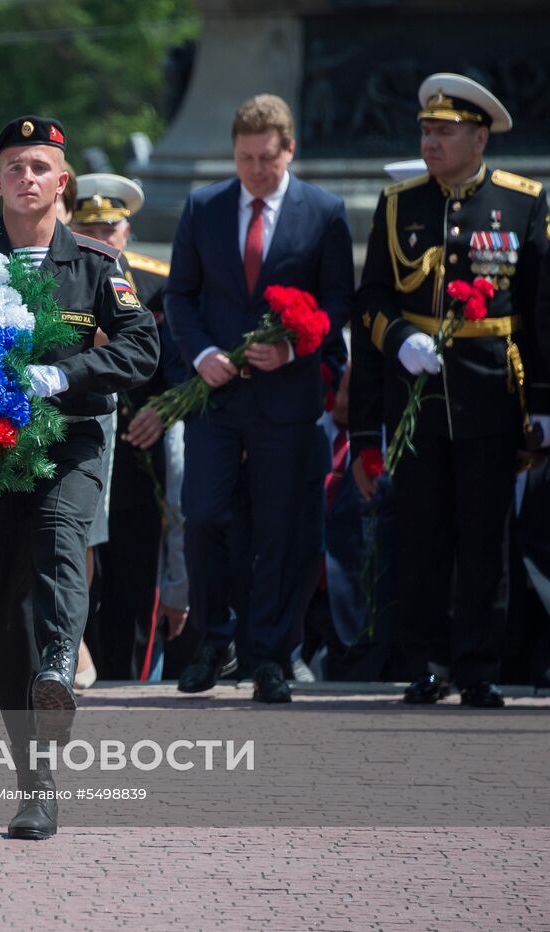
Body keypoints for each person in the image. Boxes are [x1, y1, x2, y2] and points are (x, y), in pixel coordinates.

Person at [0, 116, 158, 839]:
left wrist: (66, 373)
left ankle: (59, 664)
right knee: (6, 610)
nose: (25, 177)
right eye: (13, 166)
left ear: (62, 183)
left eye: (38, 166)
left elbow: (141, 348)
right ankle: (35, 780)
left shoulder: (94, 262)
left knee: (60, 538)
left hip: (73, 439)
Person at [350, 73, 550, 708]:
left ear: (479, 136)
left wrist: (544, 401)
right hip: (419, 394)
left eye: (445, 131)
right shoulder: (400, 203)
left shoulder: (523, 202)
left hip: (494, 391)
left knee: (485, 535)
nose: (431, 142)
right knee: (422, 534)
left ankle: (478, 664)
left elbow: (542, 310)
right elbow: (372, 299)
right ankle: (426, 660)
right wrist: (400, 337)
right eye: (426, 131)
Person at [166, 93, 354, 703]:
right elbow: (180, 298)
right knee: (203, 517)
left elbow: (336, 302)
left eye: (266, 159)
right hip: (215, 396)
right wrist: (201, 356)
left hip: (286, 398)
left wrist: (297, 349)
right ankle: (214, 642)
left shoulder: (322, 213)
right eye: (245, 158)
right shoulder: (205, 206)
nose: (254, 170)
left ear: (288, 149)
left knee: (280, 529)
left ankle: (271, 654)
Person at [72, 174, 189, 680]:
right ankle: (78, 666)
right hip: (82, 445)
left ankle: (130, 683)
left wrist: (161, 410)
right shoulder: (63, 274)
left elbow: (180, 365)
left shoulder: (157, 281)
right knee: (80, 574)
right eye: (88, 225)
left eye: (110, 227)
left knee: (136, 573)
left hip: (140, 454)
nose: (101, 235)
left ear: (127, 229)